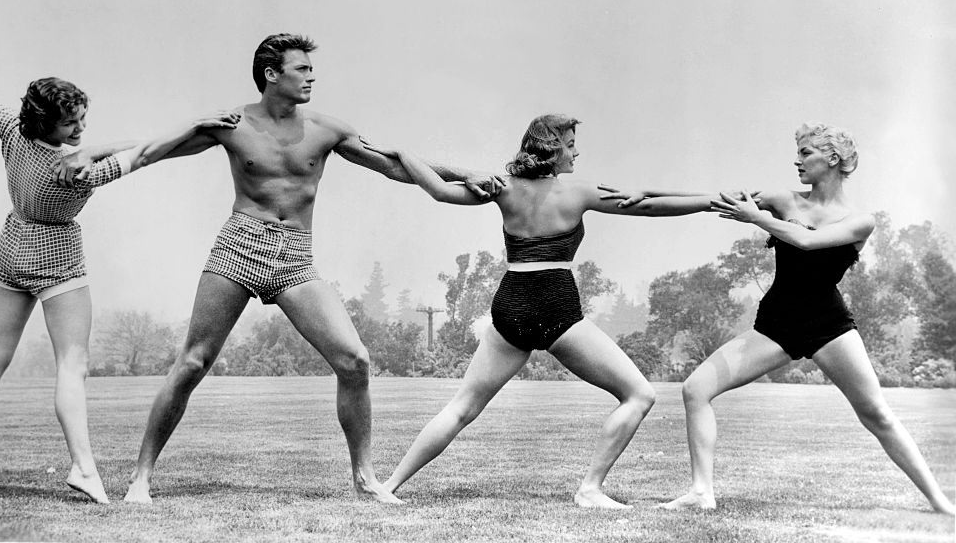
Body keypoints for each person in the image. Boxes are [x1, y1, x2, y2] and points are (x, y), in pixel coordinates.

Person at [61, 34, 505, 504]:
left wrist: (465, 173)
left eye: (311, 69)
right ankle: (140, 479)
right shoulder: (231, 123)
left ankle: (365, 479)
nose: (311, 77)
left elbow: (395, 164)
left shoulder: (327, 129)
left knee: (355, 361)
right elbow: (156, 149)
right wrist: (92, 152)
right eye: (301, 69)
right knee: (193, 362)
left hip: (294, 254)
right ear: (272, 75)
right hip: (239, 245)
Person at [0, 0, 240, 503]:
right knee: (72, 366)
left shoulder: (13, 130)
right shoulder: (74, 173)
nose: (81, 128)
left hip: (11, 246)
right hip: (57, 256)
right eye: (72, 123)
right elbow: (147, 154)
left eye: (82, 117)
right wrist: (195, 126)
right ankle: (82, 468)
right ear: (49, 125)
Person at [363, 114, 720, 508]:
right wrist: (712, 202)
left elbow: (437, 189)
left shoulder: (502, 188)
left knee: (462, 407)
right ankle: (589, 489)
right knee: (638, 394)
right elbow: (649, 206)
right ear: (551, 148)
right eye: (570, 143)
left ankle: (389, 485)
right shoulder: (578, 193)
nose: (576, 150)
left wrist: (402, 153)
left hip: (510, 304)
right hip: (554, 306)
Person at [662, 123, 955, 515]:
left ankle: (939, 501)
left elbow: (808, 241)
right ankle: (701, 492)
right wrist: (644, 197)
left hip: (828, 325)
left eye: (805, 153)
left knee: (877, 413)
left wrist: (756, 218)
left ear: (832, 158)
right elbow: (713, 200)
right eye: (798, 152)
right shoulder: (783, 199)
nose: (796, 160)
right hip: (776, 324)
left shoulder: (860, 220)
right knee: (695, 389)